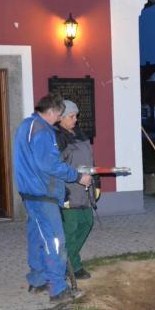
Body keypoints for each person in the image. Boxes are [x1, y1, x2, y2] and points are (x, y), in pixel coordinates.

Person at [14, 93, 93, 302]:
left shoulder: (26, 125)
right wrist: (77, 177)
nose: (60, 119)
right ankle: (58, 289)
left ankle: (38, 280)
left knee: (36, 236)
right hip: (43, 193)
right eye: (59, 114)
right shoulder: (43, 131)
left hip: (29, 192)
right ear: (50, 112)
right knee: (55, 240)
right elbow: (48, 164)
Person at [55, 100, 96, 281]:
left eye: (76, 116)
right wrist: (75, 178)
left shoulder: (80, 133)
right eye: (71, 116)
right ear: (61, 118)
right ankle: (72, 266)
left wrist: (97, 182)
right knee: (70, 229)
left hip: (85, 189)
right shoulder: (56, 137)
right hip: (68, 190)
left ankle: (67, 262)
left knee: (87, 223)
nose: (75, 120)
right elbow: (56, 167)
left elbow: (89, 160)